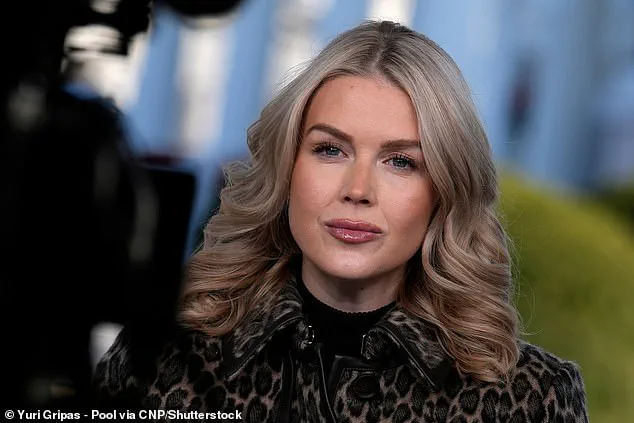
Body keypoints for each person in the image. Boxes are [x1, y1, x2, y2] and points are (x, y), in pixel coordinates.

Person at [94, 20, 589, 422]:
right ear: (288, 168)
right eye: (330, 150)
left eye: (401, 161)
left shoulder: (530, 399)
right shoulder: (161, 359)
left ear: (444, 190)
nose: (358, 189)